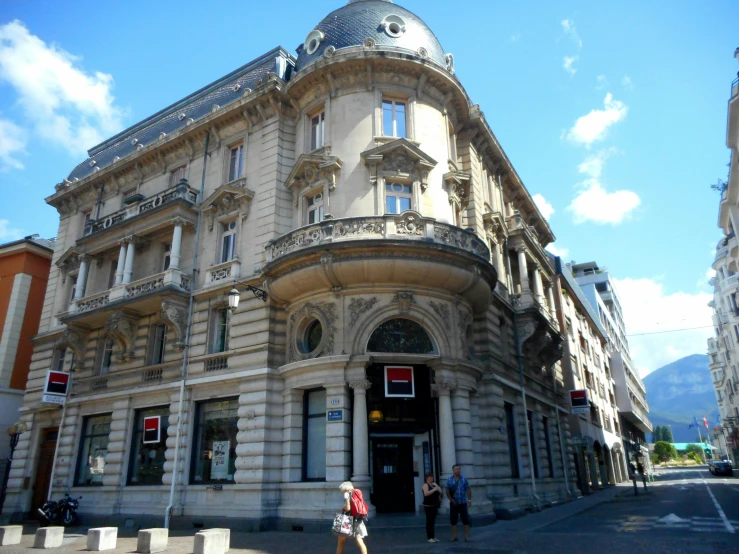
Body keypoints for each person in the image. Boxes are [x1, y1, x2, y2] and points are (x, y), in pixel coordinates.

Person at [336, 481, 368, 554]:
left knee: (340, 542)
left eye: (342, 490)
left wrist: (343, 508)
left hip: (348, 521)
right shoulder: (357, 492)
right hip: (358, 519)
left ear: (345, 489)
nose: (342, 492)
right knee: (360, 542)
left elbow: (348, 508)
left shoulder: (347, 494)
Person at [445, 464, 471, 542]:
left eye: (459, 469)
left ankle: (467, 536)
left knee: (465, 520)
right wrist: (451, 500)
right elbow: (447, 491)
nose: (458, 470)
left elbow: (468, 489)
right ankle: (454, 535)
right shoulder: (449, 480)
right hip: (454, 503)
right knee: (453, 520)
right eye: (456, 469)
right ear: (453, 470)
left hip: (462, 502)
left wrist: (469, 500)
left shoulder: (464, 479)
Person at [422, 473, 442, 543]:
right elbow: (426, 493)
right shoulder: (425, 485)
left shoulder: (433, 485)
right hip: (428, 506)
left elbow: (440, 491)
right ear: (427, 478)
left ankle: (433, 536)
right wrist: (434, 490)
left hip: (434, 505)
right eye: (430, 477)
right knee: (429, 521)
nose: (431, 478)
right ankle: (429, 537)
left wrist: (436, 486)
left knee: (433, 522)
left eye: (432, 477)